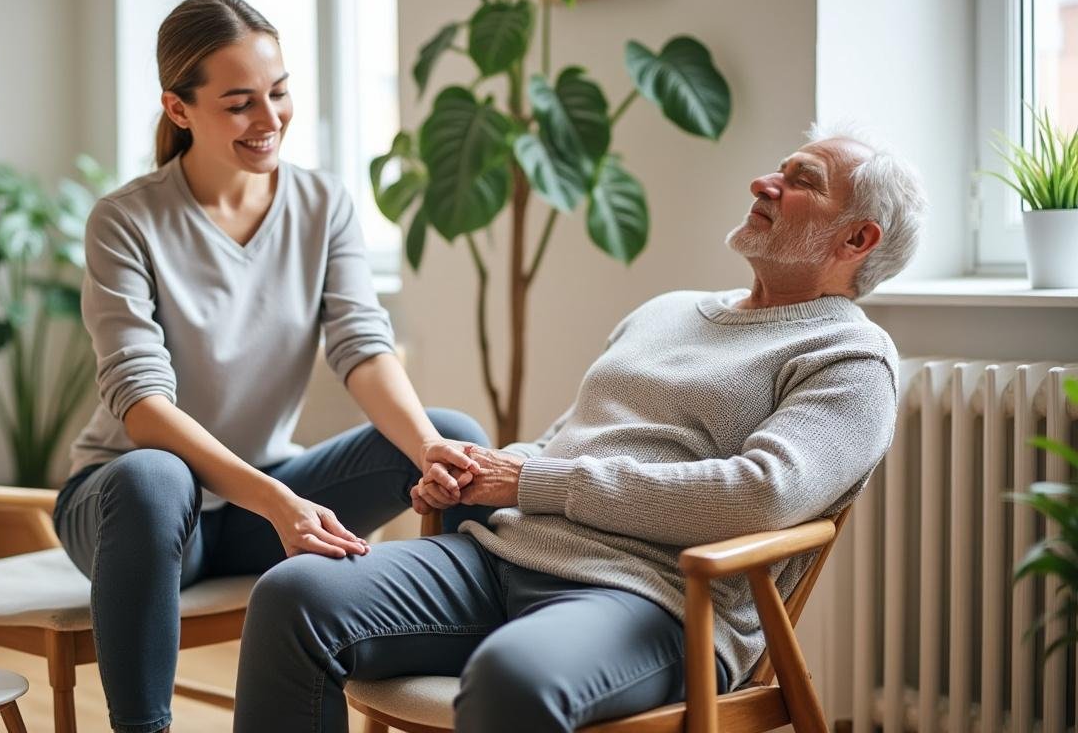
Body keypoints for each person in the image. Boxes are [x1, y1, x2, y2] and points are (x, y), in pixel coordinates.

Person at [233, 128, 928, 732]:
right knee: (295, 596)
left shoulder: (850, 359)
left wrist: (532, 479)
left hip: (650, 598)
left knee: (515, 674)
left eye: (800, 180)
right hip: (504, 557)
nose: (764, 181)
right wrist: (487, 469)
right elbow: (568, 441)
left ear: (857, 239)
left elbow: (759, 497)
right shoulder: (669, 311)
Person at [52, 0, 489, 733]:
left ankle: (458, 687)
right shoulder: (125, 221)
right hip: (138, 507)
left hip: (260, 502)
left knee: (449, 431)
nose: (270, 119)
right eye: (239, 103)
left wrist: (426, 447)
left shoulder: (322, 203)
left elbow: (361, 346)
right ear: (179, 108)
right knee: (156, 474)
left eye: (279, 93)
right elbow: (141, 404)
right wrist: (278, 503)